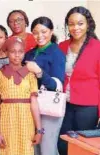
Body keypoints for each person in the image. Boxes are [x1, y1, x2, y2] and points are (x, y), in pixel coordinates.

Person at [58, 6, 100, 155]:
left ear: (88, 24)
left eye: (80, 23)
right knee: (63, 145)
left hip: (88, 107)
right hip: (65, 105)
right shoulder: (62, 46)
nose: (75, 27)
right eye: (71, 24)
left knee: (84, 147)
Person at [0, 36, 43, 155]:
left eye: (20, 52)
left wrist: (39, 130)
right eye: (12, 51)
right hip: (6, 120)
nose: (17, 55)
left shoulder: (30, 74)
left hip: (26, 121)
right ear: (6, 53)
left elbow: (34, 103)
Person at [24, 16, 66, 155]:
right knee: (34, 145)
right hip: (32, 105)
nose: (39, 36)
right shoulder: (30, 53)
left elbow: (56, 85)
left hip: (49, 107)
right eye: (35, 32)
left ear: (51, 31)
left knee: (47, 148)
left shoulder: (56, 53)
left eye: (44, 31)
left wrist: (39, 72)